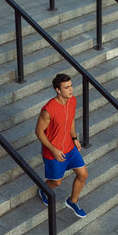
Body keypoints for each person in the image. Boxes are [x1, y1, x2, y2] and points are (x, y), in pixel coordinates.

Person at [35, 74, 88, 218]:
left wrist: (75, 138)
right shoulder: (48, 110)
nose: (71, 90)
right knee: (56, 182)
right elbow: (39, 132)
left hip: (70, 148)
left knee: (83, 174)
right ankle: (43, 190)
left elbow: (70, 120)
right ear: (58, 90)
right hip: (54, 152)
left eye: (71, 86)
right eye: (66, 87)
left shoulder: (72, 100)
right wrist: (53, 149)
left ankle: (72, 201)